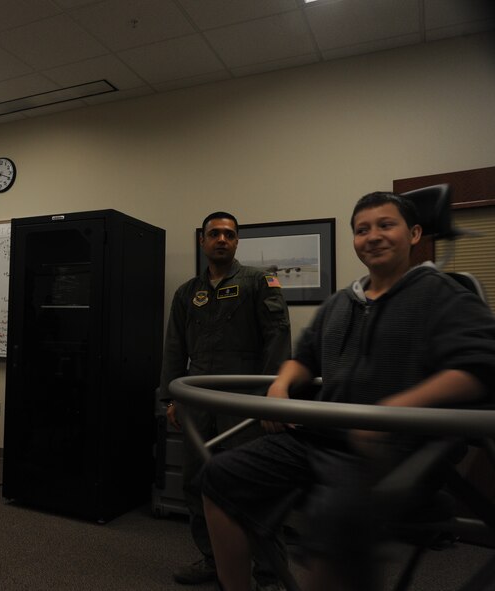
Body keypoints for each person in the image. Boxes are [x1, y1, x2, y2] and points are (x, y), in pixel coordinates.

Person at [199, 192, 495, 591]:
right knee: (218, 475)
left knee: (336, 515)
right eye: (362, 229)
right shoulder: (341, 302)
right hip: (323, 437)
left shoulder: (444, 294)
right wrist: (282, 385)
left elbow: (479, 366)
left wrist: (394, 410)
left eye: (385, 225)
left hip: (395, 447)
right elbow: (303, 358)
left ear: (414, 233)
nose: (372, 236)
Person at [159, 211, 291, 588]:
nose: (221, 239)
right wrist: (170, 397)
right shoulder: (187, 293)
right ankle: (211, 559)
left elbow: (278, 339)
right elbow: (174, 347)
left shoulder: (259, 281)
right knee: (197, 482)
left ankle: (268, 572)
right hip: (197, 400)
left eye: (229, 235)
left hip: (245, 403)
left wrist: (269, 398)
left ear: (236, 242)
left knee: (252, 486)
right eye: (214, 233)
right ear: (202, 240)